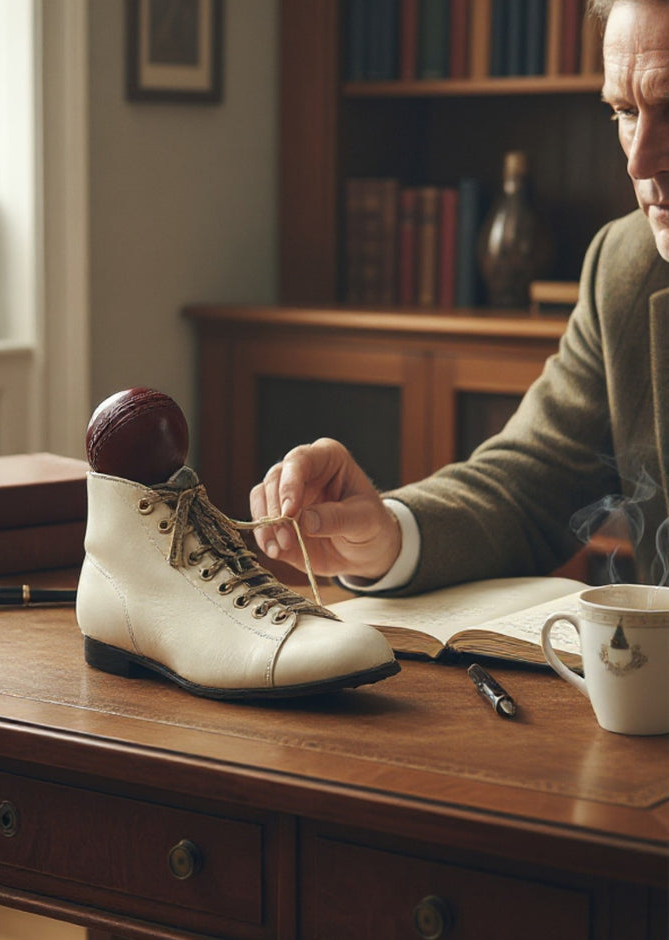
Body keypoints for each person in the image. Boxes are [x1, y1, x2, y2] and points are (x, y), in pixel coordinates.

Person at [251, 0, 669, 593]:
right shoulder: (625, 268)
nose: (639, 157)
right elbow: (526, 486)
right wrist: (385, 534)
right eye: (625, 112)